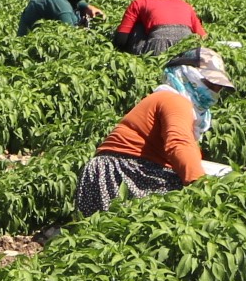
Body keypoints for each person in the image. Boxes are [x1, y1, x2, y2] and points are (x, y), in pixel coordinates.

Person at [75, 48, 235, 215]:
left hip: (115, 169)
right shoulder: (174, 101)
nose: (214, 92)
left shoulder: (177, 102)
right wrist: (203, 189)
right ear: (188, 74)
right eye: (210, 84)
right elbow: (179, 144)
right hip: (122, 170)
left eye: (218, 88)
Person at [111, 0, 206, 57]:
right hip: (187, 48)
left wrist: (118, 52)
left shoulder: (140, 2)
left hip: (158, 47)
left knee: (137, 25)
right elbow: (202, 36)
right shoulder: (183, 3)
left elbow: (121, 37)